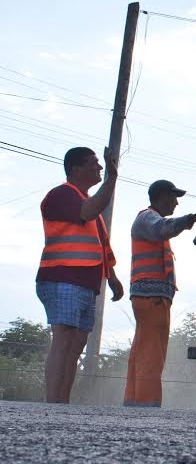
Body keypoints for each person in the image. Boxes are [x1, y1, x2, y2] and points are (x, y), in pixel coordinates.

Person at [36, 146, 124, 403]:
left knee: (75, 346)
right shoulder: (61, 195)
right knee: (64, 338)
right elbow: (88, 211)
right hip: (61, 278)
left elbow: (102, 248)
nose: (99, 167)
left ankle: (61, 402)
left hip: (84, 284)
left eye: (100, 164)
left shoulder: (85, 203)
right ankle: (54, 402)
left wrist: (113, 278)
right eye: (94, 163)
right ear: (75, 168)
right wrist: (111, 178)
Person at [124, 179, 196, 408]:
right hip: (152, 298)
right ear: (163, 197)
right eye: (174, 198)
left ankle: (134, 404)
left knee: (142, 350)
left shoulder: (146, 219)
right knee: (152, 354)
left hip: (147, 297)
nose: (176, 203)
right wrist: (192, 219)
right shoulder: (148, 218)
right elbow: (162, 228)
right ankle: (147, 406)